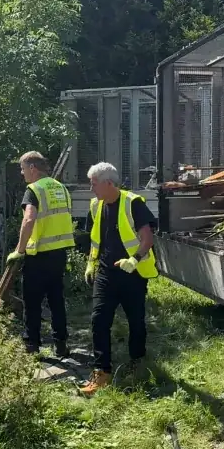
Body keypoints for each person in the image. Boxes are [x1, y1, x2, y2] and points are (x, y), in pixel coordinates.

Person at [81, 161, 158, 396]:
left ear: (108, 183)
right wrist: (90, 264)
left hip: (132, 274)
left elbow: (147, 239)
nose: (91, 188)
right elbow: (95, 239)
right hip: (105, 274)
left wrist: (133, 260)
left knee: (136, 320)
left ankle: (137, 361)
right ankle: (102, 372)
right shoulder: (96, 205)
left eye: (94, 184)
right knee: (98, 320)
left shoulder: (133, 203)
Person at [5, 151, 75, 357]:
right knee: (56, 300)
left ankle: (32, 345)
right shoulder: (61, 188)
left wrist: (19, 250)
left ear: (32, 168)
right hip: (59, 253)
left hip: (39, 255)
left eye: (22, 169)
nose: (22, 173)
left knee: (33, 302)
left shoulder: (34, 189)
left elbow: (29, 219)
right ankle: (61, 344)